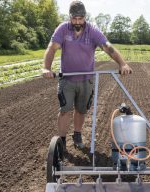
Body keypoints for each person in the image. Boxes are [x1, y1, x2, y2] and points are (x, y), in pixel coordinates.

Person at [42, 1, 132, 150]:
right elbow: (52, 48)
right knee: (65, 110)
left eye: (80, 18)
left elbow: (107, 47)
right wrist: (46, 68)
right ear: (70, 17)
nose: (78, 22)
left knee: (81, 110)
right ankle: (62, 141)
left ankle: (77, 135)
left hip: (86, 80)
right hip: (67, 79)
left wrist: (122, 64)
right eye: (74, 19)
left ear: (85, 17)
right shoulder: (63, 29)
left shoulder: (92, 30)